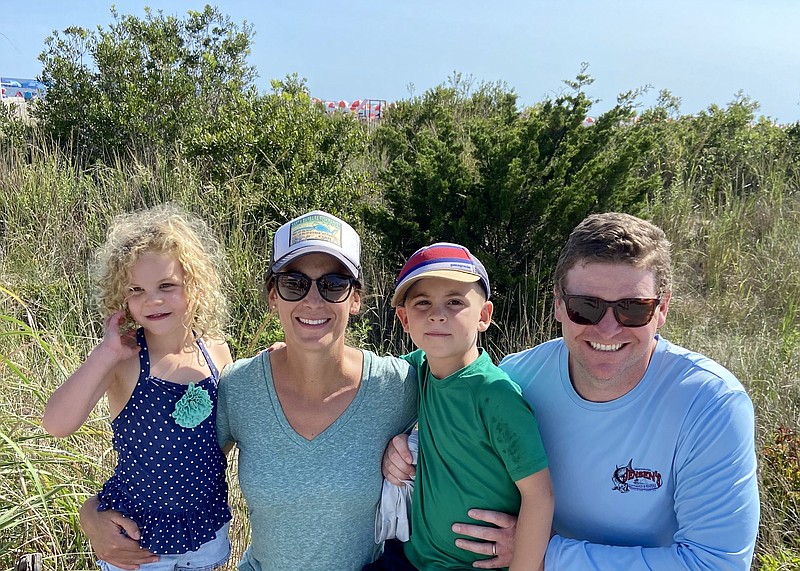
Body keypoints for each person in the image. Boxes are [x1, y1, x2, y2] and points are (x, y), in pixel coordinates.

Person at [383, 212, 760, 570]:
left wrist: (545, 555)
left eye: (632, 309)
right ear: (559, 305)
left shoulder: (709, 405)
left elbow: (716, 563)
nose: (608, 328)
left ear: (662, 309)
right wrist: (404, 444)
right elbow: (459, 411)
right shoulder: (519, 378)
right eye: (586, 307)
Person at [79, 210, 418, 570]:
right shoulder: (242, 387)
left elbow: (471, 408)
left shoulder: (396, 386)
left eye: (334, 284)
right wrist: (91, 515)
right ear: (274, 297)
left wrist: (418, 455)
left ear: (355, 299)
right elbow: (174, 462)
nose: (313, 300)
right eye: (294, 283)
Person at [43, 204, 234, 571]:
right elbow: (56, 423)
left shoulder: (216, 351)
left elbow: (221, 443)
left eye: (167, 285)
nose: (153, 300)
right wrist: (107, 352)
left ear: (194, 284)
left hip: (205, 535)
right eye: (137, 289)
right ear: (123, 296)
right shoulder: (126, 361)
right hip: (136, 543)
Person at [366, 243, 552, 571]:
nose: (438, 314)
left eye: (455, 302)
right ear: (404, 319)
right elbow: (361, 373)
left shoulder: (495, 395)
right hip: (411, 558)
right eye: (423, 303)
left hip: (472, 566)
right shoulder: (418, 369)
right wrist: (290, 356)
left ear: (483, 316)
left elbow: (539, 497)